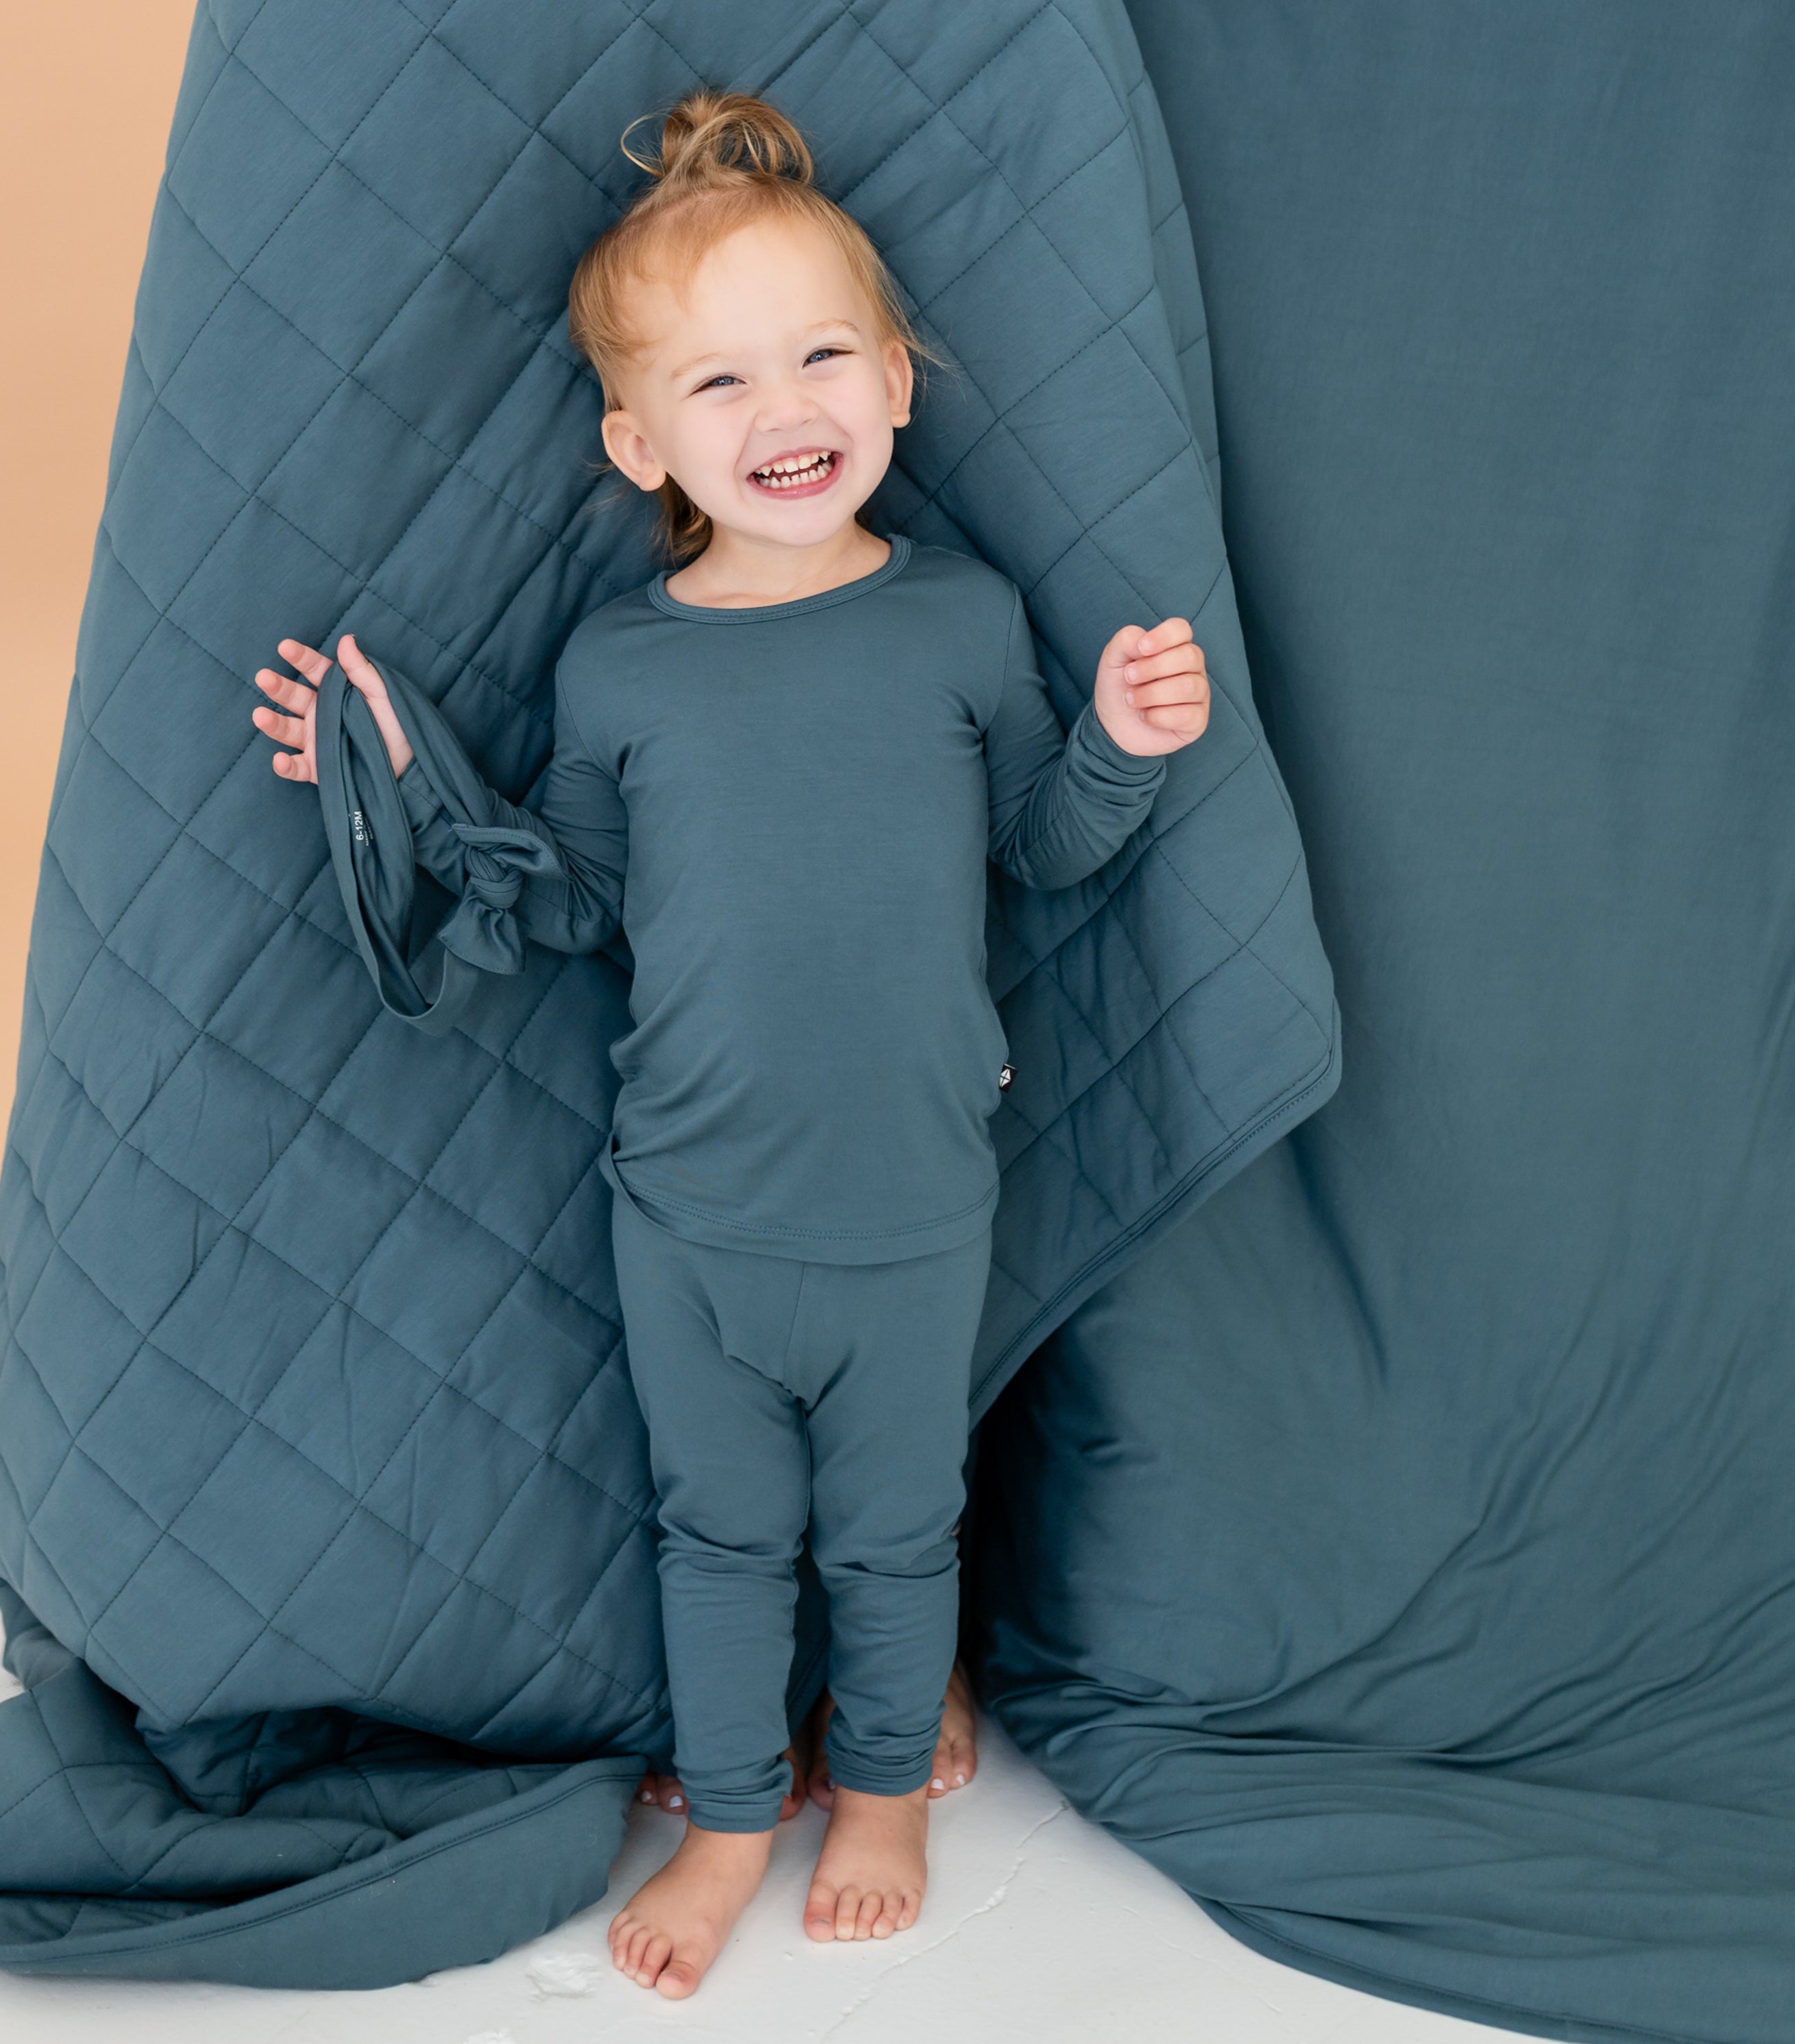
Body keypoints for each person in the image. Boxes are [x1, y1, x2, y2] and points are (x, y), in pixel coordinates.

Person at [247, 89, 1210, 2000]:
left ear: (899, 384)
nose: (784, 410)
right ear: (637, 442)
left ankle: (879, 1794)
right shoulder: (619, 664)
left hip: (916, 1204)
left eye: (823, 354)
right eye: (717, 382)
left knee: (891, 1525)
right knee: (716, 1531)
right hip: (688, 1214)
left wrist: (1122, 738)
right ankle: (729, 1815)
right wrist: (389, 771)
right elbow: (574, 907)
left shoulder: (960, 620)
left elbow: (1043, 848)